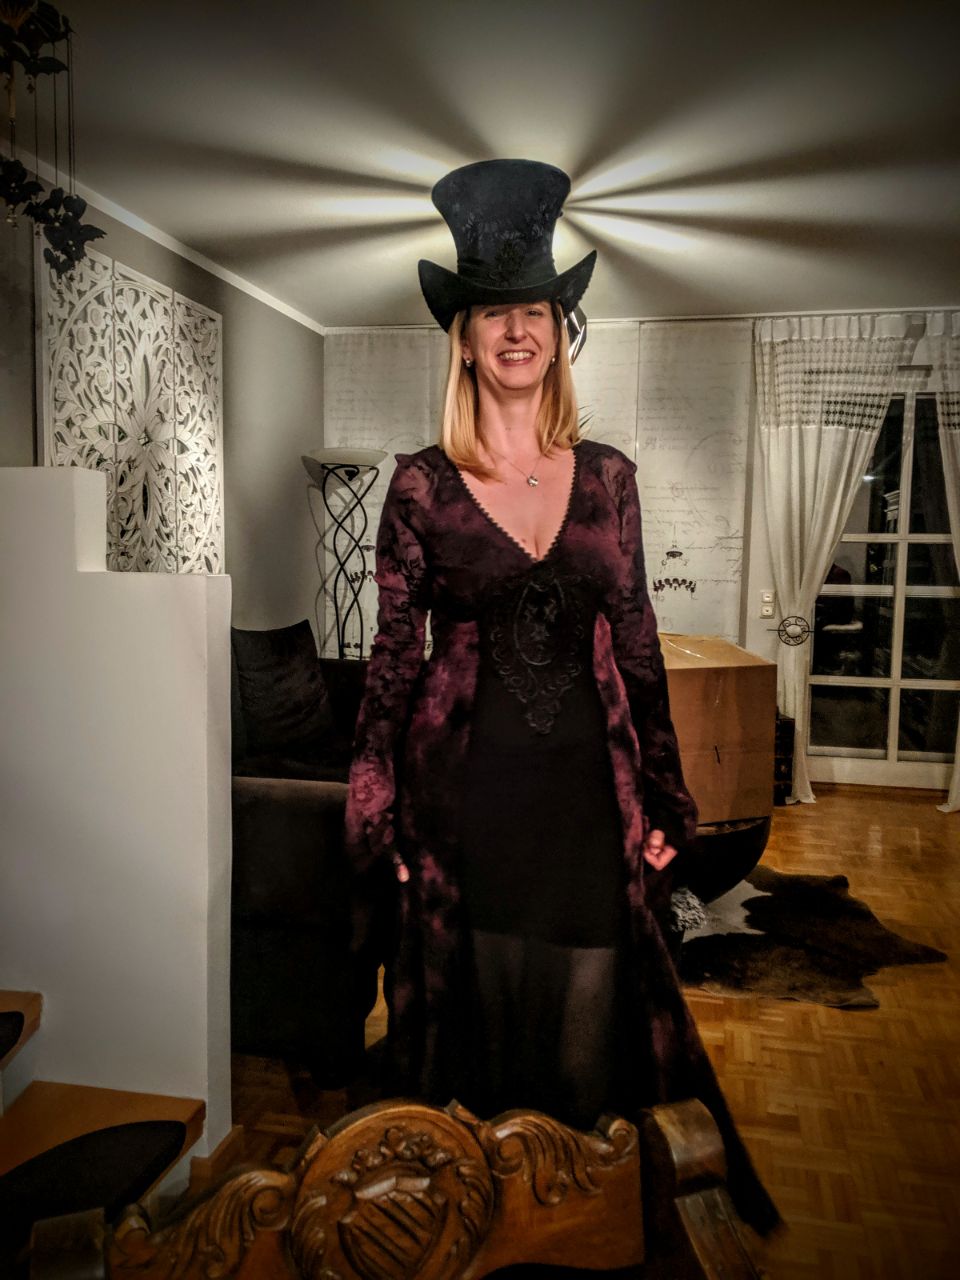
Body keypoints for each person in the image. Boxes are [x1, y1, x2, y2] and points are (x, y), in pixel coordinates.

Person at [345, 159, 779, 1236]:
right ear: (464, 338)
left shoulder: (611, 476)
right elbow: (392, 657)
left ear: (559, 330)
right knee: (475, 1039)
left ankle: (575, 1239)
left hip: (588, 804)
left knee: (588, 1052)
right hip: (466, 808)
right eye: (494, 312)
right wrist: (374, 803)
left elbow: (637, 642)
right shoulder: (420, 483)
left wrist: (669, 796)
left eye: (534, 308)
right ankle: (482, 1235)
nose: (516, 329)